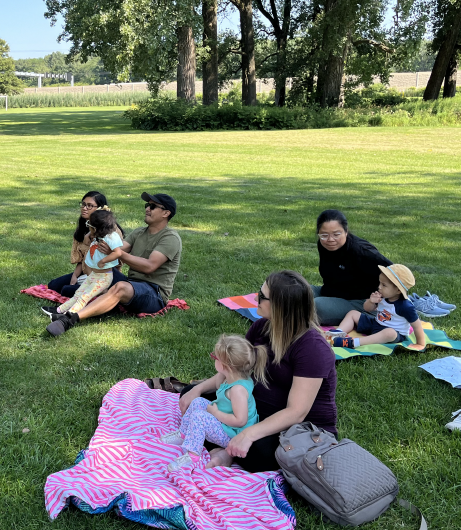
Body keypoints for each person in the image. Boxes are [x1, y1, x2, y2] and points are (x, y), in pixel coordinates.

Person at [179, 271, 338, 472]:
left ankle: (227, 450)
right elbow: (232, 370)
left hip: (296, 428)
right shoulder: (261, 327)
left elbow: (297, 413)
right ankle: (227, 445)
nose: (256, 298)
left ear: (282, 307)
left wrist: (249, 434)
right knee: (190, 396)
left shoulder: (313, 348)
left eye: (262, 297)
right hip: (252, 411)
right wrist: (198, 389)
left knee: (258, 453)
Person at [46, 192, 182, 337]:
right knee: (98, 275)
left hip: (154, 293)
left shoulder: (170, 238)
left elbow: (149, 266)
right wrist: (98, 233)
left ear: (166, 213)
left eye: (153, 206)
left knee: (120, 287)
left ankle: (69, 319)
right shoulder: (139, 232)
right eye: (147, 205)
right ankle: (69, 304)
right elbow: (118, 248)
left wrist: (118, 253)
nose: (147, 208)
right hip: (132, 284)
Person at [163, 334, 265, 472]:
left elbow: (240, 420)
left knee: (199, 417)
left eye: (214, 357)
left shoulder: (237, 390)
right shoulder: (230, 377)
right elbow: (218, 384)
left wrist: (216, 413)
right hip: (227, 423)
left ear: (226, 365)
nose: (213, 358)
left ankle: (193, 456)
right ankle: (183, 434)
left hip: (234, 434)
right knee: (198, 401)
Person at [313, 209, 392, 325]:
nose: (330, 239)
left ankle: (367, 315)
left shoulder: (361, 252)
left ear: (346, 232)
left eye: (336, 234)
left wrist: (379, 301)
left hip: (360, 302)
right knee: (293, 289)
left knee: (315, 307)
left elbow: (396, 273)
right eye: (324, 235)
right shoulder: (323, 245)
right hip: (332, 293)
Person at [43, 208, 124, 321]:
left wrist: (103, 261)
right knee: (78, 293)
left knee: (85, 297)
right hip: (94, 275)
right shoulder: (98, 234)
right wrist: (90, 234)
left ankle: (68, 316)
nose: (88, 226)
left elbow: (118, 252)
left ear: (96, 228)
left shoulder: (111, 237)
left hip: (104, 277)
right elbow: (88, 241)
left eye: (89, 224)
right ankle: (59, 310)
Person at [46, 191, 127, 297]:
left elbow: (112, 261)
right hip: (86, 271)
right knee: (53, 285)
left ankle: (103, 292)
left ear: (100, 209)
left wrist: (86, 244)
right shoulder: (84, 227)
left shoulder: (110, 231)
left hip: (103, 274)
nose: (84, 208)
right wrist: (75, 275)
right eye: (83, 204)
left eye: (89, 206)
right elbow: (82, 259)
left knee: (66, 290)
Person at [329, 264, 427, 350]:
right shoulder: (382, 296)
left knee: (390, 333)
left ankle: (354, 342)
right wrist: (371, 302)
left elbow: (417, 325)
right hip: (376, 324)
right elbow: (366, 309)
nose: (379, 287)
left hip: (393, 334)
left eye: (384, 285)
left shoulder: (405, 306)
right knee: (353, 313)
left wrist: (420, 344)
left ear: (398, 290)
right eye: (380, 283)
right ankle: (338, 333)